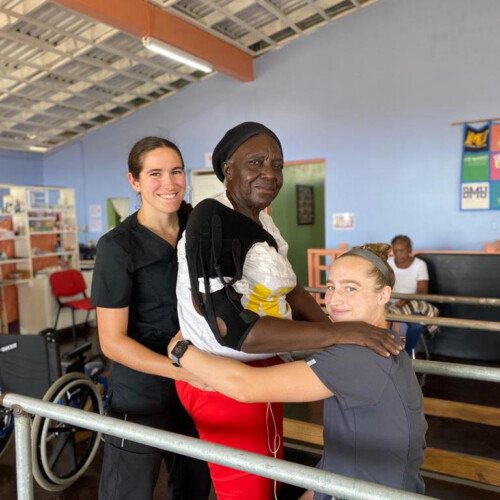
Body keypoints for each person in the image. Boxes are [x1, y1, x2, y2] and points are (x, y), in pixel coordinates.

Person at [174, 122, 402, 499]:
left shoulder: (263, 220)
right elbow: (231, 328)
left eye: (277, 165)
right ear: (227, 169)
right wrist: (341, 334)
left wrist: (341, 338)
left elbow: (294, 291)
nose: (270, 173)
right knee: (249, 490)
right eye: (257, 162)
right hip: (225, 378)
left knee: (270, 478)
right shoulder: (210, 219)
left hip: (266, 364)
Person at [169, 243, 427, 498]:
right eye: (331, 287)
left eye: (351, 288)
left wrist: (180, 350)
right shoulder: (385, 342)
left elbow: (246, 386)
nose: (335, 299)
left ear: (384, 295)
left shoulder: (357, 357)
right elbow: (337, 461)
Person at [91, 137, 211, 500]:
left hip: (196, 383)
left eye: (176, 172)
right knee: (128, 490)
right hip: (142, 389)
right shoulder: (117, 246)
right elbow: (112, 342)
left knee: (195, 483)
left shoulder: (197, 227)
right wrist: (180, 370)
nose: (169, 183)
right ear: (135, 181)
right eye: (155, 173)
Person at [387, 234, 438, 355]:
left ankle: (406, 354)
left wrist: (406, 300)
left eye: (401, 250)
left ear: (409, 249)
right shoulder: (388, 263)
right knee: (379, 318)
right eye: (395, 250)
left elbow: (422, 291)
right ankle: (386, 351)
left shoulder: (419, 265)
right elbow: (383, 284)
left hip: (413, 302)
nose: (398, 253)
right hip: (391, 302)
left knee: (416, 325)